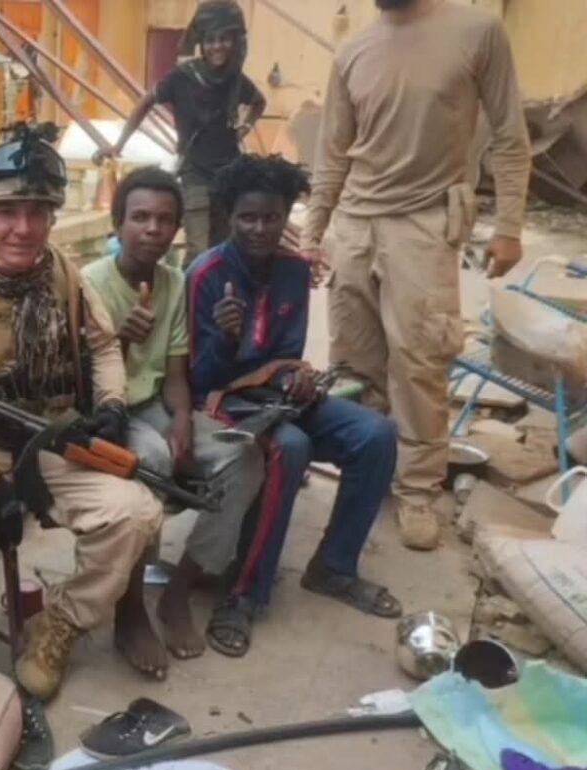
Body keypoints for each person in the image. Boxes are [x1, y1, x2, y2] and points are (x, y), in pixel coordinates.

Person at [0, 125, 164, 700]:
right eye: (7, 213)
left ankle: (58, 623)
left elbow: (103, 346)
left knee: (137, 511)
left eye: (37, 212)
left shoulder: (62, 274)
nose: (23, 227)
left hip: (50, 444)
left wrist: (111, 404)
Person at [302, 0, 532, 550]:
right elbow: (332, 151)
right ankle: (369, 472)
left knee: (420, 364)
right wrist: (314, 232)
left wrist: (509, 227)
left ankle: (417, 491)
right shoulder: (353, 51)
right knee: (354, 364)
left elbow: (510, 135)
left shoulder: (477, 31)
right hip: (355, 225)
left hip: (425, 224)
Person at [189, 154, 402, 655]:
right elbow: (198, 378)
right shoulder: (206, 274)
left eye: (271, 216)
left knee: (376, 434)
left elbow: (287, 352)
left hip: (275, 397)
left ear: (287, 215)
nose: (260, 228)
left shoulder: (293, 270)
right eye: (247, 217)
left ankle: (334, 566)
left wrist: (297, 379)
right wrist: (225, 338)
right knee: (290, 447)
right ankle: (244, 594)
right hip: (222, 402)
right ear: (229, 216)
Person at [82, 166, 264, 659]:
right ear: (117, 224)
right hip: (107, 412)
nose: (152, 229)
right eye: (140, 217)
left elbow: (176, 372)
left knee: (245, 457)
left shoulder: (173, 282)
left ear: (177, 229)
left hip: (156, 406)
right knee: (153, 462)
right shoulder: (89, 284)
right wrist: (121, 340)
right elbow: (81, 382)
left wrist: (183, 421)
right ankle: (130, 606)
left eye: (164, 220)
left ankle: (179, 590)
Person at [98, 0, 266, 267]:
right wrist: (118, 145)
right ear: (201, 43)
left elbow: (258, 102)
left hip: (228, 174)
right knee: (198, 250)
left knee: (224, 247)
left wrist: (244, 127)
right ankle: (191, 293)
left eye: (224, 39)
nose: (217, 46)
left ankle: (218, 292)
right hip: (195, 173)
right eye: (210, 40)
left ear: (235, 42)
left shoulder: (235, 79)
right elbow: (146, 102)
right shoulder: (183, 76)